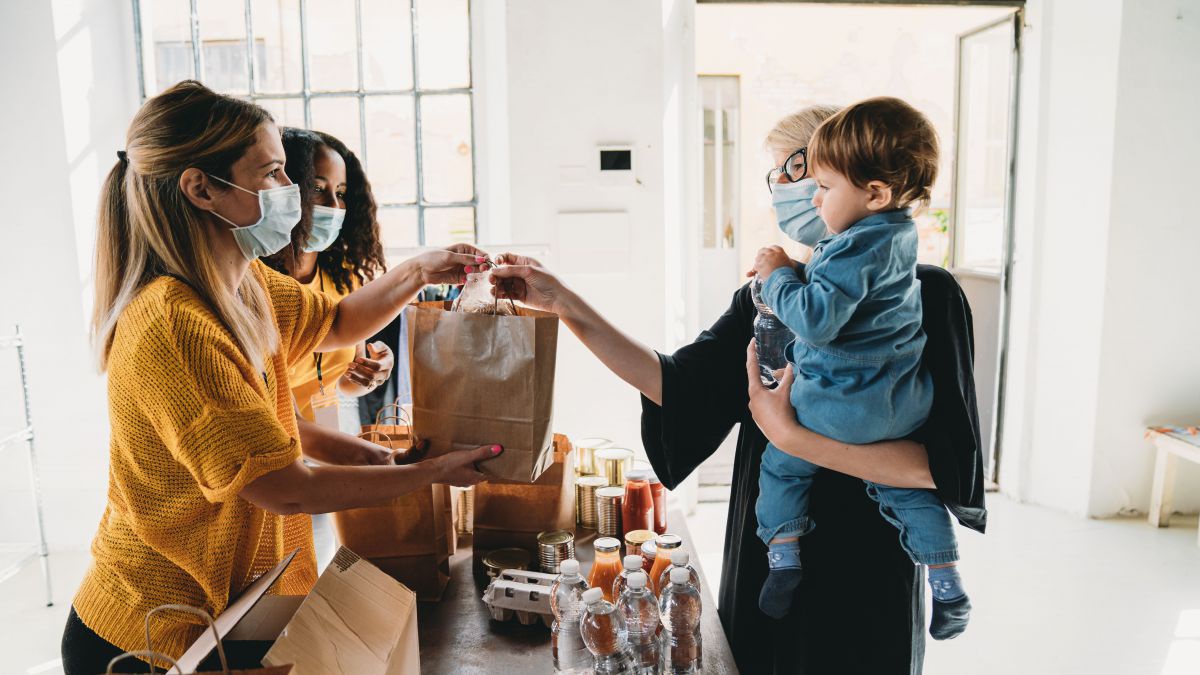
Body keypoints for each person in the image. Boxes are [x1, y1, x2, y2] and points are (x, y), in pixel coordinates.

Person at [490, 104, 986, 674]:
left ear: (854, 177)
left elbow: (941, 468)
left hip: (867, 568)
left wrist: (791, 437)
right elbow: (675, 385)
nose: (782, 190)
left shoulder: (928, 296)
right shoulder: (767, 297)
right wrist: (561, 303)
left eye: (790, 173)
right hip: (770, 560)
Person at [62, 80, 501, 674]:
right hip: (151, 632)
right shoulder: (173, 323)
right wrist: (431, 475)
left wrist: (421, 269)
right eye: (272, 174)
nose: (290, 191)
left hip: (230, 607)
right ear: (202, 188)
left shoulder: (241, 283)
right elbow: (286, 488)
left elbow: (339, 320)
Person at [749, 97, 970, 639]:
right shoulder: (900, 238)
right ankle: (944, 577)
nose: (812, 198)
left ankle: (782, 555)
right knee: (908, 493)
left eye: (819, 185)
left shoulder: (849, 248)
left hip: (839, 405)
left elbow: (818, 319)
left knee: (782, 463)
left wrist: (778, 276)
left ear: (874, 192)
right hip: (900, 408)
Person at [262, 128, 393, 424]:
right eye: (317, 189)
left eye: (341, 193)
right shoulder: (255, 283)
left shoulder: (346, 276)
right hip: (276, 444)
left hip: (333, 434)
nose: (334, 206)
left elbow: (346, 382)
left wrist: (372, 372)